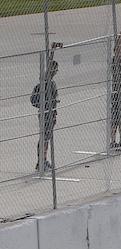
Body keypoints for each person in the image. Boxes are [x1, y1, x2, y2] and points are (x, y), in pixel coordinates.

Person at [31, 44, 61, 172]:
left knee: (46, 138)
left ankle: (43, 160)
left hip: (50, 113)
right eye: (54, 69)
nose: (55, 71)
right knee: (44, 137)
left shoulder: (51, 82)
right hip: (45, 113)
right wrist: (52, 51)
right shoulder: (46, 80)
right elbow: (48, 66)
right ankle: (41, 161)